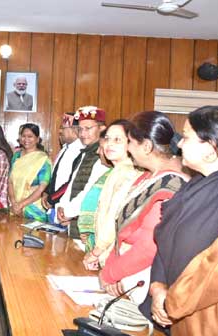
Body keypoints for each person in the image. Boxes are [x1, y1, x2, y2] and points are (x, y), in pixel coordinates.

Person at [142, 106, 218, 335]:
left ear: (211, 148)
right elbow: (164, 239)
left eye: (186, 137)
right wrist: (158, 287)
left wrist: (171, 301)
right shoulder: (195, 184)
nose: (178, 144)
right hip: (171, 306)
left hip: (210, 319)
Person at [99, 111, 188, 304]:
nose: (128, 149)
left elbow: (148, 247)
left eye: (130, 142)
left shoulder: (171, 183)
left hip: (139, 281)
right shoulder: (148, 176)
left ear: (146, 146)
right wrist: (111, 268)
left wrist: (111, 274)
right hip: (122, 273)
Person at [80, 120, 141, 262]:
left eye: (117, 140)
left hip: (114, 255)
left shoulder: (127, 173)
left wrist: (95, 253)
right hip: (106, 254)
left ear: (131, 143)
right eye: (107, 139)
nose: (109, 144)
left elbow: (113, 219)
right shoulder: (116, 171)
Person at [56, 106, 110, 238]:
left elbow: (90, 191)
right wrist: (61, 206)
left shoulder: (104, 155)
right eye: (80, 129)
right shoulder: (85, 152)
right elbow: (72, 184)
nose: (82, 134)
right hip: (72, 220)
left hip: (87, 225)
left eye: (88, 129)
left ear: (102, 129)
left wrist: (67, 211)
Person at [42, 113, 85, 216]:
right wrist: (46, 192)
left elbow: (72, 182)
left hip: (64, 208)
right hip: (53, 205)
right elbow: (55, 176)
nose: (60, 131)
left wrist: (52, 199)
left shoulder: (80, 151)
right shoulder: (65, 148)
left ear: (75, 130)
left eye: (63, 128)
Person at [8, 123, 51, 222]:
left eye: (30, 136)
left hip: (34, 210)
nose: (26, 139)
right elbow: (10, 182)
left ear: (37, 139)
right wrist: (14, 203)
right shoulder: (16, 157)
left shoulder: (43, 159)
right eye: (23, 136)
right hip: (14, 209)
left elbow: (42, 187)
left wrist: (21, 205)